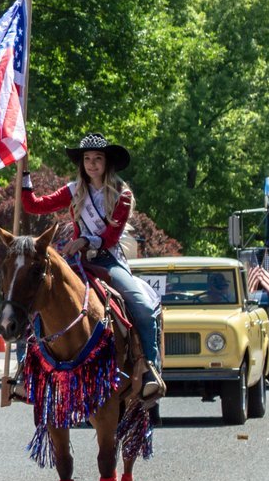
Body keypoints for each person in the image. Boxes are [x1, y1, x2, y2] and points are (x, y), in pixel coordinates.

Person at [19, 132, 162, 377]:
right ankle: (29, 369)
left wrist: (85, 239)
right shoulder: (74, 190)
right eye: (87, 159)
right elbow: (34, 205)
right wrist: (24, 176)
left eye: (98, 158)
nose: (92, 164)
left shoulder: (122, 194)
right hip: (77, 261)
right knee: (38, 298)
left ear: (107, 163)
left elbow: (111, 237)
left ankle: (150, 368)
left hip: (108, 260)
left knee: (143, 308)